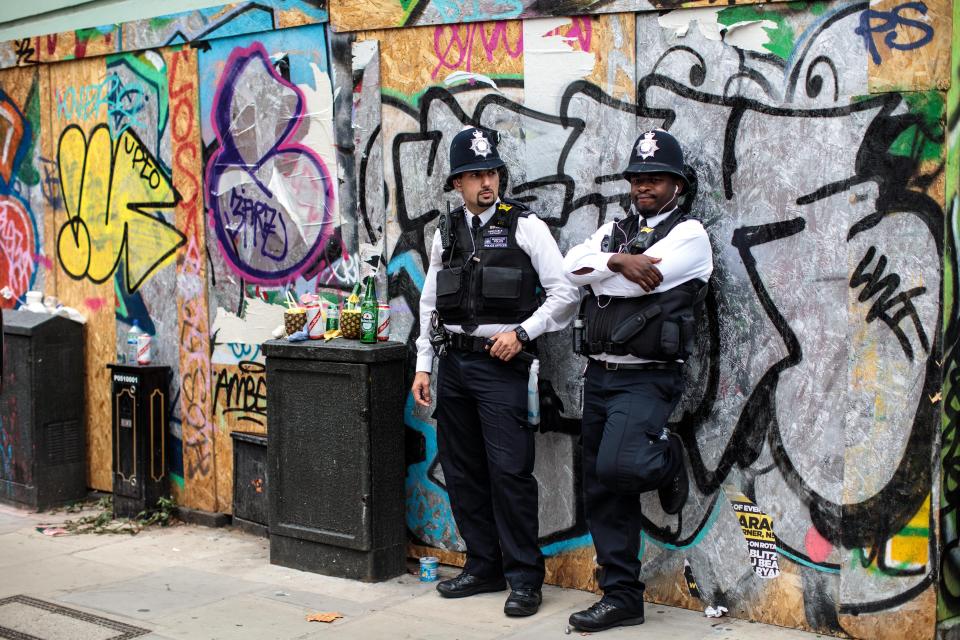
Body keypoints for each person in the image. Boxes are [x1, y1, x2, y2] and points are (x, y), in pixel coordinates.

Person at [411, 126, 578, 617]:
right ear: (457, 184)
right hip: (455, 365)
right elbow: (428, 303)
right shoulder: (447, 231)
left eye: (492, 173)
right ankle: (483, 566)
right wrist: (424, 364)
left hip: (503, 366)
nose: (487, 183)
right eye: (475, 176)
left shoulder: (525, 225)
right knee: (463, 472)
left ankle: (525, 578)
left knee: (510, 473)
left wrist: (523, 332)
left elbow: (565, 292)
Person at [562, 128, 713, 632]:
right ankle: (622, 596)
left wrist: (608, 271)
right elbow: (570, 268)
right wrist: (614, 260)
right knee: (603, 485)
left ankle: (667, 458)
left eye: (656, 178)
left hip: (649, 378)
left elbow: (640, 283)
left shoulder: (690, 236)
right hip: (600, 374)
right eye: (638, 178)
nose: (644, 186)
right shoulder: (614, 230)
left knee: (622, 466)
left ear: (677, 184)